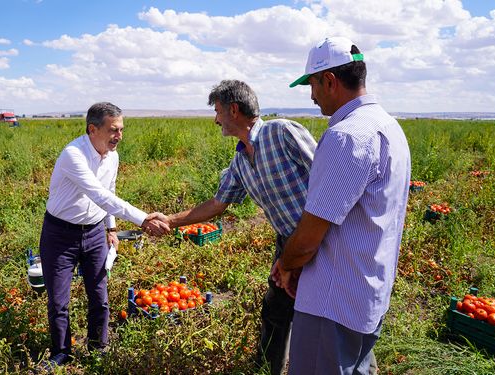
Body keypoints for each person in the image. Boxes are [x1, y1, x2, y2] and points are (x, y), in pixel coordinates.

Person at [275, 37, 411, 374]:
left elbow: (310, 235)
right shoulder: (389, 127)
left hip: (331, 303)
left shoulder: (347, 136)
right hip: (367, 293)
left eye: (312, 84)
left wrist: (287, 264)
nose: (311, 95)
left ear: (330, 81)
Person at [166, 80, 317, 375]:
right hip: (287, 241)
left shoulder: (282, 132)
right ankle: (266, 369)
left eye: (218, 111)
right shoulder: (239, 161)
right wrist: (170, 221)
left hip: (322, 237)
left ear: (234, 110)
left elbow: (328, 176)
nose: (215, 119)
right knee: (276, 309)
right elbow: (218, 204)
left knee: (325, 315)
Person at [38, 102, 170, 369]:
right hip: (60, 234)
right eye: (113, 130)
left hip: (96, 231)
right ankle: (61, 353)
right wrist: (143, 218)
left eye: (121, 130)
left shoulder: (113, 156)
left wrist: (110, 228)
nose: (118, 136)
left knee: (99, 295)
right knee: (59, 301)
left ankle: (99, 346)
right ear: (92, 129)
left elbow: (109, 191)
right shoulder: (73, 154)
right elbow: (99, 194)